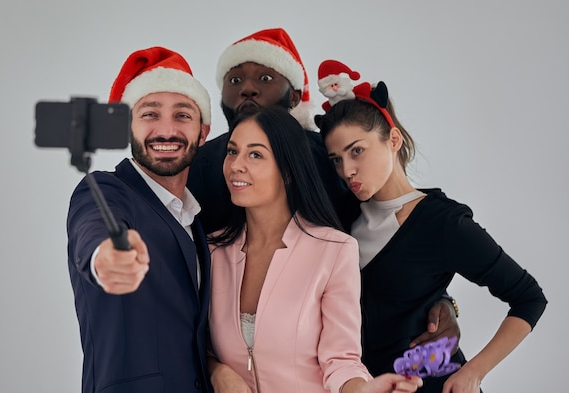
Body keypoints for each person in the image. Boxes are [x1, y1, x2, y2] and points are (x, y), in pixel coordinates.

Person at [186, 26, 460, 349]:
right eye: (235, 80)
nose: (247, 89)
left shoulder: (329, 157)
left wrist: (439, 298)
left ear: (293, 95)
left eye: (264, 79)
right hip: (232, 344)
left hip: (342, 342)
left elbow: (386, 228)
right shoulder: (201, 166)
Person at [315, 60, 548, 392]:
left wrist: (474, 373)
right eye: (337, 159)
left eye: (357, 151)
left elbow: (529, 297)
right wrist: (445, 301)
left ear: (392, 139)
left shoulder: (443, 222)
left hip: (433, 383)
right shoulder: (342, 216)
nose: (347, 170)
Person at [206, 106, 423, 393]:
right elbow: (196, 343)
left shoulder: (334, 251)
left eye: (255, 154)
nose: (235, 165)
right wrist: (217, 371)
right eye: (233, 151)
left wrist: (362, 389)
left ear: (287, 170)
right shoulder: (210, 252)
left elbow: (341, 359)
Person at [67, 46, 213, 393]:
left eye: (182, 115)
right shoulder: (103, 190)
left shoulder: (195, 216)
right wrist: (107, 257)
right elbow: (94, 228)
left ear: (202, 132)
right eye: (149, 114)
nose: (166, 130)